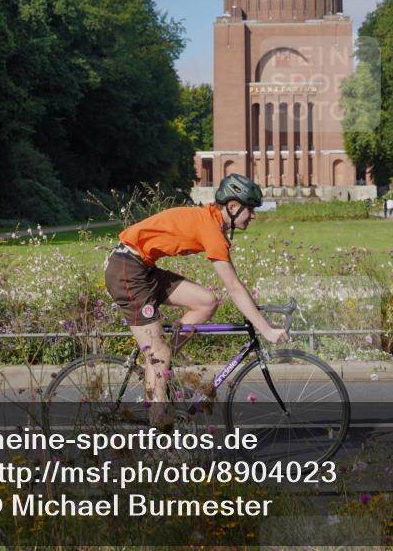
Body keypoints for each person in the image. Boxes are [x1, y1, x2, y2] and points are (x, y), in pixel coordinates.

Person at [104, 173, 287, 425]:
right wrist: (265, 329)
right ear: (232, 207)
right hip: (127, 270)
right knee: (157, 352)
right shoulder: (211, 228)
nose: (254, 215)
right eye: (251, 209)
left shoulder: (211, 223)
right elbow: (233, 286)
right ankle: (158, 427)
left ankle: (161, 362)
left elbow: (228, 291)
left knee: (206, 301)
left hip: (141, 267)